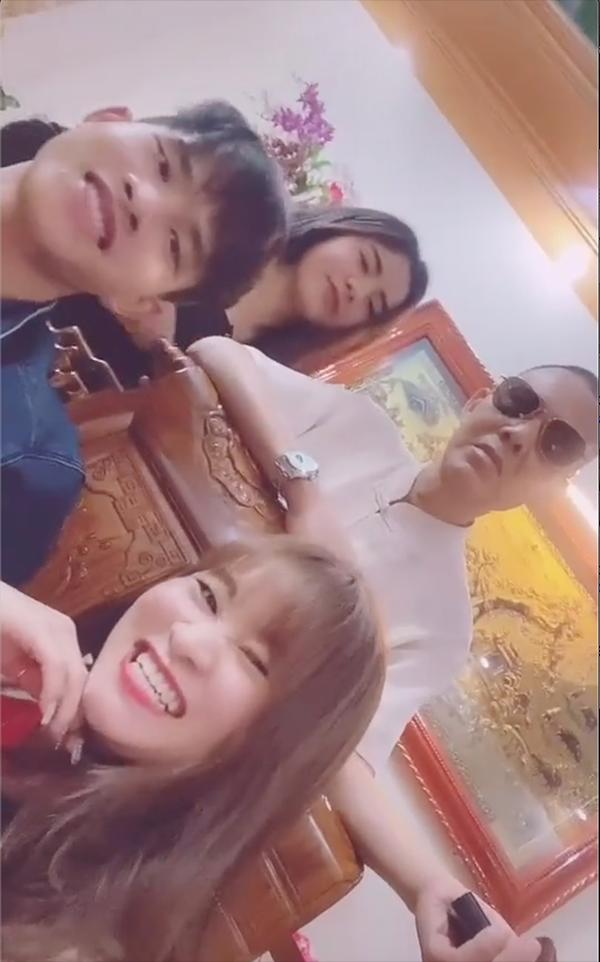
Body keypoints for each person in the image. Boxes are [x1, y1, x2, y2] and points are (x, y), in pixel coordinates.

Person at [187, 337, 596, 961]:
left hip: (180, 727)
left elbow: (342, 756)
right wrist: (304, 490)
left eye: (556, 443)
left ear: (553, 487)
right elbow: (217, 351)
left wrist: (426, 886)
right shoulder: (359, 425)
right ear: (480, 401)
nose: (518, 434)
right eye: (519, 402)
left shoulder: (443, 625)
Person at [1, 536, 386, 961]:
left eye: (253, 659)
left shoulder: (78, 937)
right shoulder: (29, 696)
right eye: (208, 596)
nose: (189, 640)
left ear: (268, 754)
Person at [0, 103, 288, 587]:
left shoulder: (29, 466)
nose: (144, 202)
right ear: (107, 118)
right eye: (164, 164)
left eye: (175, 245)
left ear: (138, 301)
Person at [2, 120, 428, 386]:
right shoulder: (222, 217)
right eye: (366, 263)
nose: (356, 288)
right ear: (339, 227)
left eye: (372, 304)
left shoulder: (267, 375)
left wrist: (161, 351)